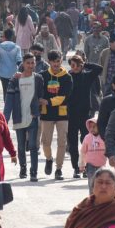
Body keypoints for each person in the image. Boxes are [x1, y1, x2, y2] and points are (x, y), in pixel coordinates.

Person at [4, 54, 45, 181]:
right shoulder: (15, 79)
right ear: (23, 63)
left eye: (33, 63)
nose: (31, 65)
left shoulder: (38, 78)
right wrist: (5, 119)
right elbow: (9, 100)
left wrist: (38, 109)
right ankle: (23, 168)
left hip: (32, 116)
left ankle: (34, 172)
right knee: (21, 146)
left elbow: (40, 96)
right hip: (19, 116)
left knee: (33, 146)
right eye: (28, 63)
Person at [68, 54, 104, 178]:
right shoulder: (68, 77)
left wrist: (85, 63)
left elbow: (99, 69)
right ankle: (76, 168)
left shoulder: (87, 76)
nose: (75, 67)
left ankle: (86, 166)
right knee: (72, 142)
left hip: (85, 113)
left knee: (85, 141)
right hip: (71, 113)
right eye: (73, 65)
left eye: (78, 65)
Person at [40, 50, 73, 180]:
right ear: (49, 62)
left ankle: (59, 168)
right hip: (46, 113)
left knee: (62, 142)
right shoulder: (42, 76)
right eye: (54, 61)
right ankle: (49, 159)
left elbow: (65, 96)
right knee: (45, 141)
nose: (56, 64)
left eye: (58, 61)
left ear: (61, 60)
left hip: (62, 113)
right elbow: (38, 93)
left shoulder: (67, 77)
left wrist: (48, 101)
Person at [79, 118, 107, 192]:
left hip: (102, 165)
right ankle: (92, 199)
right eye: (90, 127)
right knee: (92, 183)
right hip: (90, 165)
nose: (92, 129)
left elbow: (109, 150)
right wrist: (82, 164)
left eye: (94, 126)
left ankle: (101, 199)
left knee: (101, 184)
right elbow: (83, 152)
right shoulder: (87, 138)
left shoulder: (104, 137)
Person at [0, 28, 23, 99]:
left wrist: (0, 61)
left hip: (3, 73)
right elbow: (19, 59)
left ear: (4, 36)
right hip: (14, 73)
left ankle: (6, 106)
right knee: (14, 91)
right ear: (12, 36)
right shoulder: (17, 47)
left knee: (5, 91)